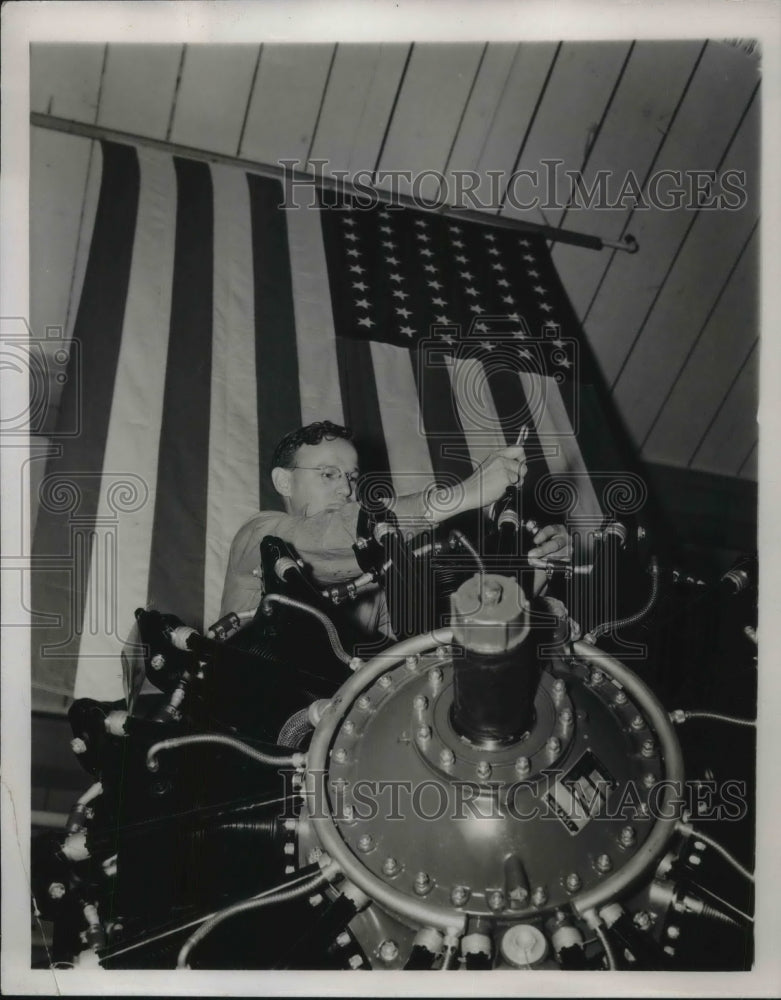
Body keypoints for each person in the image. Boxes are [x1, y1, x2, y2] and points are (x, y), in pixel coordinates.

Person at [219, 421, 569, 634]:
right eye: (328, 475)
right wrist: (466, 493)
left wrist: (530, 568)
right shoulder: (260, 534)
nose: (345, 489)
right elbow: (334, 536)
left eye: (352, 478)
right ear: (283, 481)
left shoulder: (378, 587)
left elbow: (439, 642)